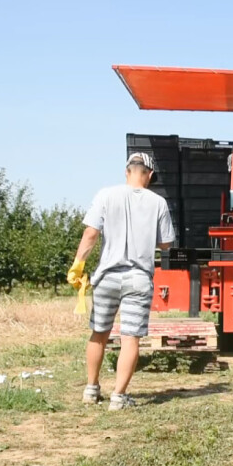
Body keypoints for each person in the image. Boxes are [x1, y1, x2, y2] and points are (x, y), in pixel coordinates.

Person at [67, 153, 175, 410]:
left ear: (127, 172)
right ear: (148, 174)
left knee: (99, 333)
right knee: (130, 338)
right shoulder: (158, 203)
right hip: (138, 279)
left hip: (106, 277)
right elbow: (166, 244)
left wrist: (78, 264)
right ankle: (118, 396)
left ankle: (91, 389)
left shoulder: (106, 195)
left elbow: (91, 233)